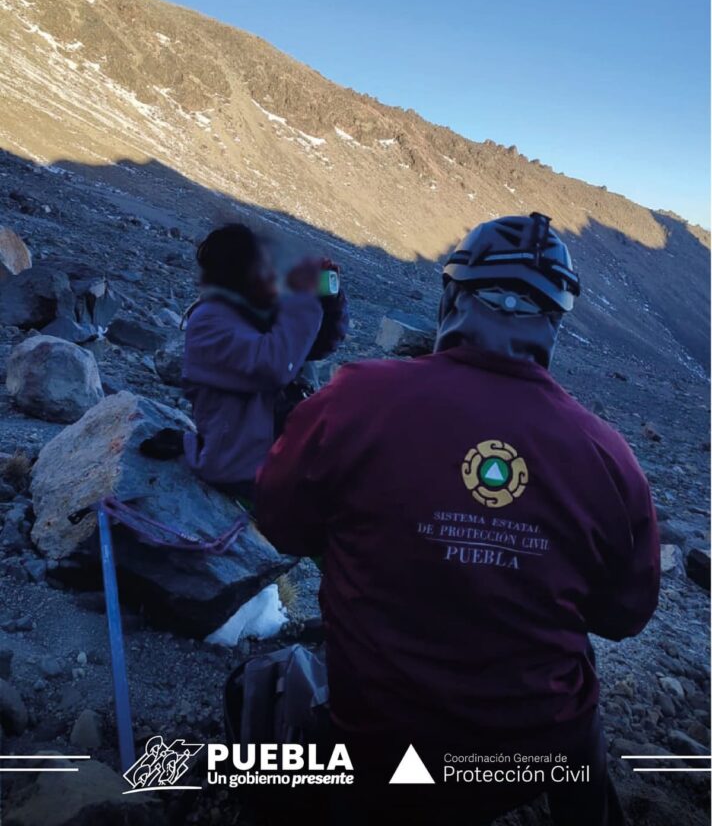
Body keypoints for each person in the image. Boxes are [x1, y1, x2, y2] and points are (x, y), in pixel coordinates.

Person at [255, 211, 660, 825]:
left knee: (265, 698)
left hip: (384, 750)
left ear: (452, 298)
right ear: (554, 321)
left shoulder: (356, 398)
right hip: (528, 762)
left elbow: (280, 521)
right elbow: (623, 615)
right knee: (578, 676)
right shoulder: (607, 454)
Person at [180, 223, 348, 500]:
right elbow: (275, 365)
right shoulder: (208, 320)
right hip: (241, 470)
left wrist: (330, 302)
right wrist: (302, 297)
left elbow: (319, 345)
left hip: (282, 462)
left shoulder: (254, 312)